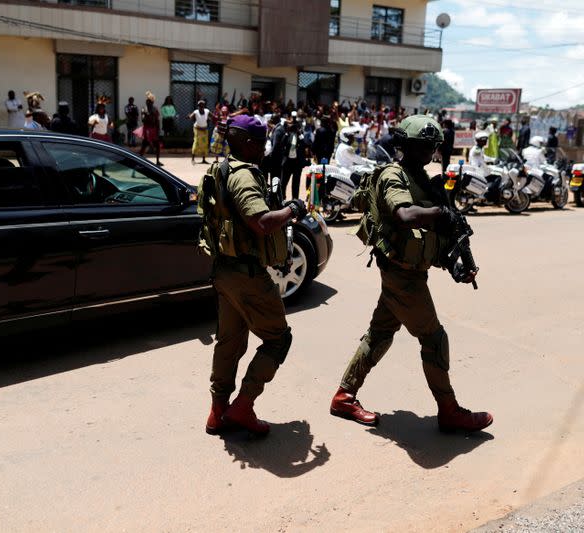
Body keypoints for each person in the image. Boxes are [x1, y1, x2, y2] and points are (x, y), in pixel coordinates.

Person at [329, 115, 493, 433]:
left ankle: (344, 396)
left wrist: (454, 264)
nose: (430, 152)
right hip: (402, 275)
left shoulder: (424, 180)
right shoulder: (395, 175)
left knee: (379, 334)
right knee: (434, 339)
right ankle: (449, 411)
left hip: (407, 271)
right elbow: (404, 214)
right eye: (425, 146)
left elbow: (435, 237)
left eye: (433, 147)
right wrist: (439, 213)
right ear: (406, 146)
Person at [199, 114, 308, 436]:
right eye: (261, 143)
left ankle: (218, 411)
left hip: (224, 271)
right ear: (247, 143)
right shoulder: (245, 176)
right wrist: (292, 210)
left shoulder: (219, 169)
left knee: (229, 342)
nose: (265, 148)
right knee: (278, 339)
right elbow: (260, 222)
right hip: (247, 274)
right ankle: (243, 407)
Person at [273, 112, 309, 200]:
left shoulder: (300, 135)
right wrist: (287, 132)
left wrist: (299, 132)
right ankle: (282, 199)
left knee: (296, 184)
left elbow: (305, 144)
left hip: (297, 163)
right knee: (283, 183)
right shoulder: (287, 134)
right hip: (287, 162)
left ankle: (295, 200)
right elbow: (282, 144)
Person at [139, 91, 163, 166]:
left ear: (152, 102)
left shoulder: (155, 109)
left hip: (153, 129)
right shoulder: (144, 109)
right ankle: (138, 160)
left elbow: (157, 121)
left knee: (157, 146)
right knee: (144, 146)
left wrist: (158, 130)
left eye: (149, 101)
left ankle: (158, 161)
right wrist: (146, 115)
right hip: (147, 129)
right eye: (147, 101)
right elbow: (143, 119)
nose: (147, 103)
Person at [189, 100, 212, 164]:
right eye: (199, 105)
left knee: (205, 144)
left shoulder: (207, 111)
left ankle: (203, 159)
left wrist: (216, 117)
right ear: (198, 106)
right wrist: (189, 116)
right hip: (197, 129)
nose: (201, 107)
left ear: (204, 106)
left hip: (204, 129)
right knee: (196, 143)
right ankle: (193, 159)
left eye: (202, 105)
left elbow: (212, 116)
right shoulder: (196, 112)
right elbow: (191, 116)